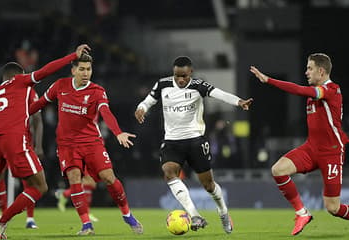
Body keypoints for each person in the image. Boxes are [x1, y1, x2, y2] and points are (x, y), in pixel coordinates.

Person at [0, 44, 90, 239]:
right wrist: (73, 56)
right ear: (18, 75)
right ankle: (2, 220)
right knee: (40, 186)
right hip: (15, 140)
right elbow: (47, 69)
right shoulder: (22, 82)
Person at [134, 56, 253, 234]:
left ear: (191, 72)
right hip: (172, 141)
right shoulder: (162, 84)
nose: (180, 80)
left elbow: (220, 94)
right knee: (169, 173)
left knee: (209, 185)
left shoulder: (198, 86)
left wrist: (239, 102)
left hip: (195, 141)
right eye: (177, 76)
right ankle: (194, 214)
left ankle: (223, 212)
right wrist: (141, 108)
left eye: (184, 76)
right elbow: (148, 101)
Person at [29, 54, 143, 235]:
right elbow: (40, 103)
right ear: (73, 70)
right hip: (67, 144)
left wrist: (118, 132)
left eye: (88, 69)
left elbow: (105, 112)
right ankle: (86, 225)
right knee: (74, 178)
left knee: (108, 178)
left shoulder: (97, 91)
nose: (85, 73)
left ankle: (127, 214)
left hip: (91, 142)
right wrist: (21, 114)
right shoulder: (60, 86)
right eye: (81, 69)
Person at [250, 53, 349, 235]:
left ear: (321, 71)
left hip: (331, 152)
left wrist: (269, 80)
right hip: (311, 149)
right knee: (278, 170)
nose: (306, 72)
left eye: (309, 68)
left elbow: (300, 90)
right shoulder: (315, 94)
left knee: (333, 208)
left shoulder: (331, 89)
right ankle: (302, 213)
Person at [0, 87, 44, 230]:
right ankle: (4, 217)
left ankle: (26, 218)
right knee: (33, 182)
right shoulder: (26, 91)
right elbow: (38, 120)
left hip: (4, 142)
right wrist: (38, 145)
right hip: (18, 143)